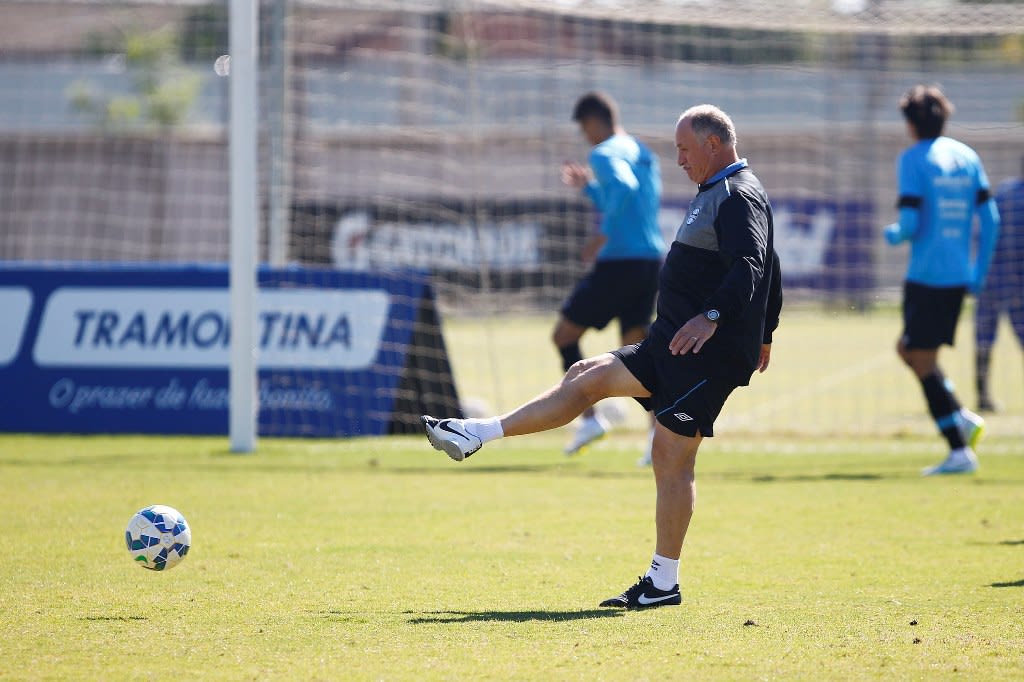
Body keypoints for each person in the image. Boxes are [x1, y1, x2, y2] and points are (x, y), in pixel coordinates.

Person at [422, 105, 782, 609]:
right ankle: (477, 432)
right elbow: (773, 265)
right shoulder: (718, 190)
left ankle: (662, 583)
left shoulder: (738, 193)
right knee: (585, 374)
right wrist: (766, 329)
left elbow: (753, 262)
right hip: (671, 344)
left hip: (704, 352)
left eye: (683, 149)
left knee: (671, 457)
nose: (677, 159)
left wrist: (715, 318)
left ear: (713, 145)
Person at [883, 84, 1000, 475]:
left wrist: (895, 233)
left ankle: (958, 450)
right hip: (957, 275)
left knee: (920, 357)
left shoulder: (913, 159)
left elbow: (911, 223)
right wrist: (978, 274)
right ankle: (962, 418)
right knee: (909, 349)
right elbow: (991, 219)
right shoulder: (967, 156)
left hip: (926, 275)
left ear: (910, 124)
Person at [557, 92, 666, 458]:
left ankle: (589, 420)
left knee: (564, 334)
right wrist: (589, 188)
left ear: (593, 122)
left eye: (584, 128)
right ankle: (659, 437)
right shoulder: (639, 150)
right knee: (637, 355)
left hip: (620, 261)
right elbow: (630, 195)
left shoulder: (603, 153)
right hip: (649, 260)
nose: (585, 136)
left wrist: (602, 234)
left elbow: (623, 189)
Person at [975, 157, 1024, 412]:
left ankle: (982, 396)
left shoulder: (1004, 192)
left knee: (984, 338)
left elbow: (981, 229)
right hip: (1018, 280)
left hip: (990, 277)